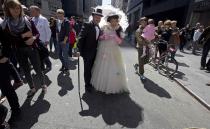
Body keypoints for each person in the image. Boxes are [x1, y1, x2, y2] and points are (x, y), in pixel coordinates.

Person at [1, 0, 47, 98]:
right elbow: (8, 41)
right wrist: (24, 35)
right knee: (26, 70)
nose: (16, 10)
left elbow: (36, 33)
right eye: (13, 8)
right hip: (18, 50)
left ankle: (43, 85)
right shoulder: (5, 24)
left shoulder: (27, 19)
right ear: (8, 9)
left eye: (18, 8)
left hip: (32, 49)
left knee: (37, 68)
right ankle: (32, 88)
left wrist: (33, 38)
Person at [90, 12, 129, 94]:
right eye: (112, 20)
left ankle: (113, 85)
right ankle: (102, 84)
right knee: (102, 67)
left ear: (118, 21)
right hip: (104, 50)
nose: (114, 22)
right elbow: (99, 38)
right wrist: (104, 37)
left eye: (115, 20)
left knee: (114, 67)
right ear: (109, 21)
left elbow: (120, 42)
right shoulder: (104, 27)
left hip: (114, 50)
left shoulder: (119, 29)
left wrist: (115, 37)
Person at [0, 1, 22, 124]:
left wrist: (6, 56)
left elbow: (7, 41)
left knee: (6, 87)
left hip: (1, 60)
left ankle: (16, 110)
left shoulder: (3, 23)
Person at [77, 8, 103, 93]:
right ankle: (87, 85)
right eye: (96, 17)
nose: (98, 18)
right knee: (87, 70)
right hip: (87, 53)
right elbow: (80, 38)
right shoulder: (87, 25)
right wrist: (78, 50)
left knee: (93, 69)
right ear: (93, 16)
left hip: (96, 52)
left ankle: (91, 81)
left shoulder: (99, 27)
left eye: (99, 17)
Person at [30, 5, 52, 71]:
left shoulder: (44, 19)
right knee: (38, 55)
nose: (31, 12)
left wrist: (47, 40)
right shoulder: (32, 20)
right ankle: (41, 68)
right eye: (31, 11)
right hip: (35, 41)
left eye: (33, 11)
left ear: (38, 11)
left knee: (44, 54)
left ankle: (48, 65)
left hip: (43, 40)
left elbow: (48, 31)